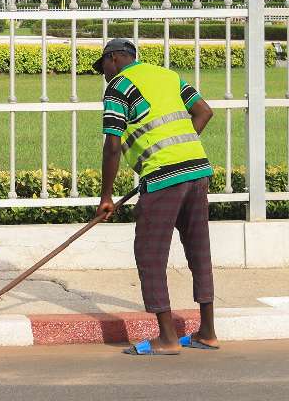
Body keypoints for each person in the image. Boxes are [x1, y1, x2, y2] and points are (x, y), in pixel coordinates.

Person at [93, 37, 219, 355]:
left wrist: (106, 196)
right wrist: (178, 149)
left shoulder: (118, 86)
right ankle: (207, 331)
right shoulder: (167, 75)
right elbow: (203, 112)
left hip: (164, 177)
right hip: (197, 170)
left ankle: (167, 338)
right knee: (199, 251)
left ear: (114, 59)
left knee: (150, 254)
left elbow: (112, 144)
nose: (104, 75)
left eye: (104, 68)